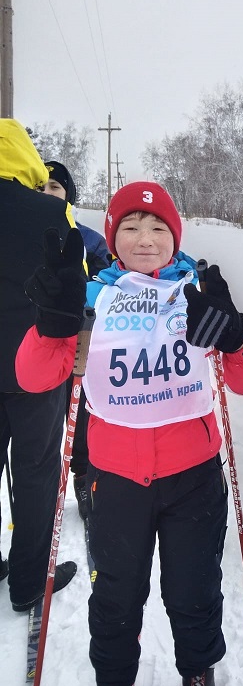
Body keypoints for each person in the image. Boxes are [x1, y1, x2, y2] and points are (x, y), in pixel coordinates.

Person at [16, 181, 243, 686]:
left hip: (193, 476)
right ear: (112, 237)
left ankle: (197, 673)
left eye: (157, 228)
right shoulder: (93, 297)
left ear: (174, 235)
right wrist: (50, 321)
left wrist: (234, 338)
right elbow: (34, 376)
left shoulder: (195, 292)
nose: (145, 238)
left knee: (193, 588)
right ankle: (114, 683)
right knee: (117, 592)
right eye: (130, 227)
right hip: (116, 478)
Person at [0, 119, 78, 612]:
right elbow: (73, 288)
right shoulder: (50, 212)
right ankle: (29, 580)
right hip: (34, 368)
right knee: (36, 473)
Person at [42, 160, 111, 518]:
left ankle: (83, 481)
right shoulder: (22, 232)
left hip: (80, 343)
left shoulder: (88, 239)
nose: (47, 193)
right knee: (40, 428)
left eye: (55, 187)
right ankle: (41, 494)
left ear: (69, 194)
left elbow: (109, 284)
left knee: (80, 415)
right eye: (41, 187)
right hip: (37, 345)